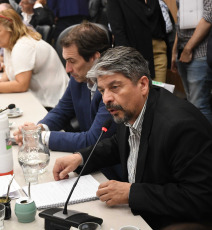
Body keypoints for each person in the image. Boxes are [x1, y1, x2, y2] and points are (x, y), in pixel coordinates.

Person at [53, 46, 212, 229]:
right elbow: (118, 144)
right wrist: (80, 157)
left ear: (143, 85)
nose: (106, 99)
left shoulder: (180, 126)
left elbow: (200, 197)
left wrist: (131, 193)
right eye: (102, 90)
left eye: (115, 87)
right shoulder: (131, 108)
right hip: (138, 215)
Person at [14, 22, 115, 152]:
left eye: (72, 61)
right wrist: (40, 128)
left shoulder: (112, 88)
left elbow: (93, 140)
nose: (67, 69)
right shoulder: (78, 78)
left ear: (95, 58)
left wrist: (40, 137)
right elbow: (62, 110)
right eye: (66, 60)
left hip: (108, 168)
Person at [0, 9, 68, 110]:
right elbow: (6, 78)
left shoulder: (23, 46)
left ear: (11, 29)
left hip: (54, 105)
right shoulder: (9, 45)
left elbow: (21, 85)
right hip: (40, 101)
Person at [171, 0, 212, 124]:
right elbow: (180, 21)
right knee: (191, 103)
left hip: (200, 51)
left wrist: (188, 49)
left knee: (199, 104)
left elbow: (209, 17)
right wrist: (174, 52)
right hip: (182, 51)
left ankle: (206, 142)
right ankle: (197, 140)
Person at [107, 0, 168, 82]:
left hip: (159, 51)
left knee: (159, 91)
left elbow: (160, 23)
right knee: (141, 91)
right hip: (135, 55)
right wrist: (128, 60)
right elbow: (118, 32)